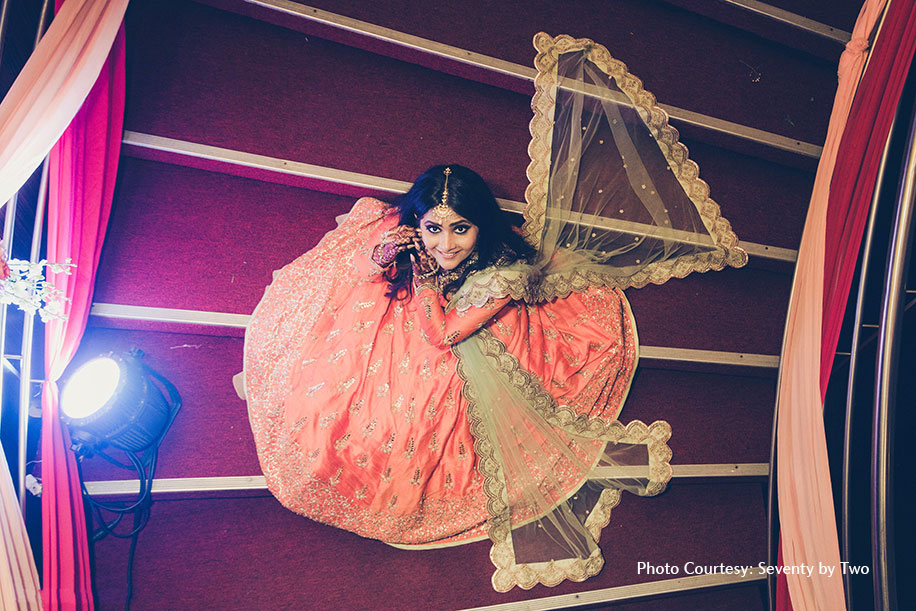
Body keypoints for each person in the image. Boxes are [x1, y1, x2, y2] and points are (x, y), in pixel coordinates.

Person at [241, 33, 746, 592]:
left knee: (414, 410)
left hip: (455, 327)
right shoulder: (406, 232)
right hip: (417, 308)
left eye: (461, 229)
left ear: (481, 226)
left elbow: (440, 333)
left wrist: (425, 279)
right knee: (334, 360)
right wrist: (388, 256)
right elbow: (367, 265)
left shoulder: (501, 276)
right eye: (433, 228)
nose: (445, 244)